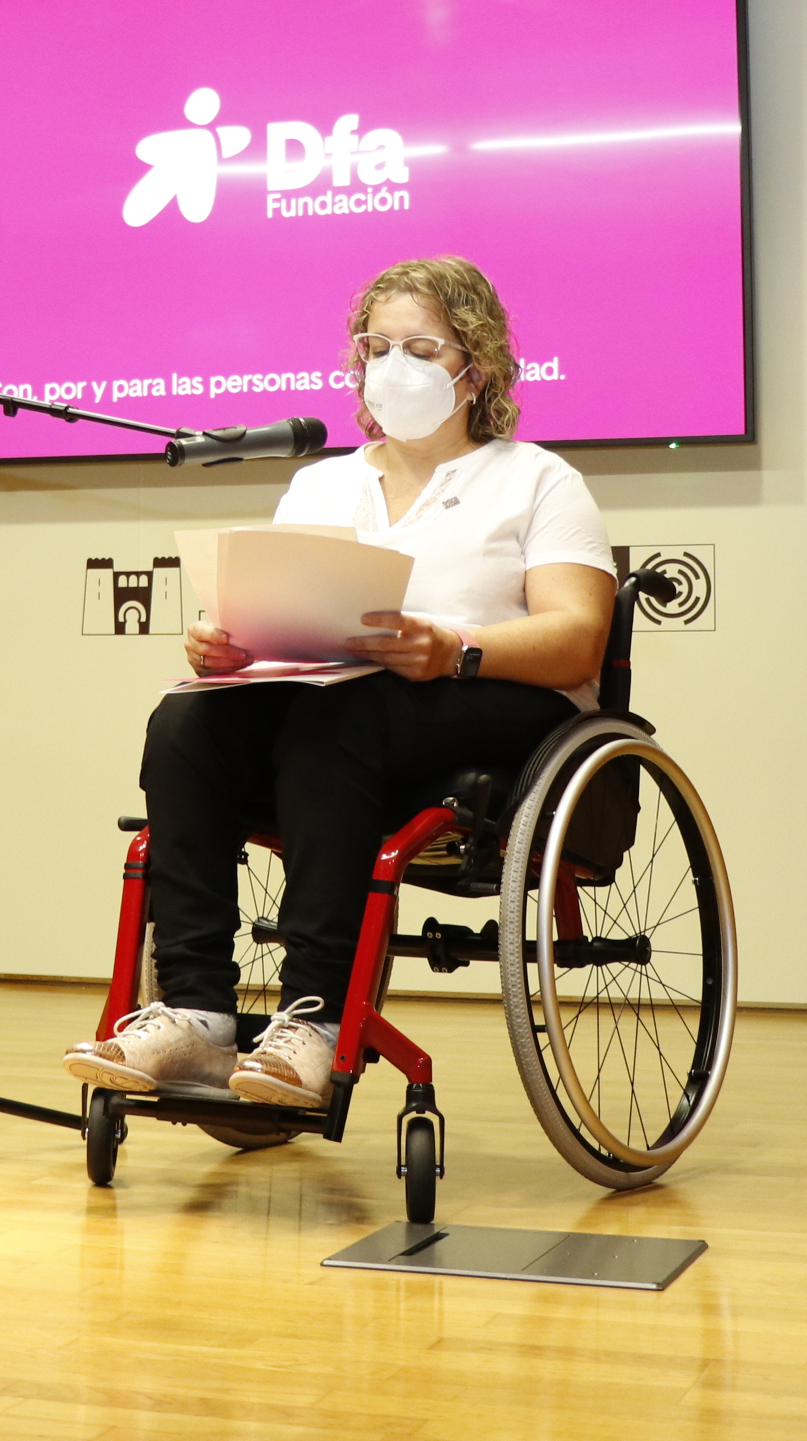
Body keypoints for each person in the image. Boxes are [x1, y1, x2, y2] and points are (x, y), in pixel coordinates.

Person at [64, 256, 616, 1111]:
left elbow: (578, 641)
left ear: (476, 366)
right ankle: (195, 1013)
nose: (395, 368)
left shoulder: (537, 479)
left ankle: (315, 1021)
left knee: (339, 715)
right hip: (339, 715)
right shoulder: (321, 483)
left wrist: (454, 647)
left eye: (421, 349)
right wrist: (230, 644)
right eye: (377, 347)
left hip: (489, 701)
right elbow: (283, 616)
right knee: (186, 722)